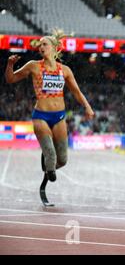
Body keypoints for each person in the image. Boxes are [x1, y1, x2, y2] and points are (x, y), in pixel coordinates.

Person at [4, 29, 95, 182]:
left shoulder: (64, 70)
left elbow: (77, 92)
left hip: (59, 117)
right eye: (40, 45)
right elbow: (10, 79)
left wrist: (88, 106)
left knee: (63, 160)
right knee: (51, 155)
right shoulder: (34, 66)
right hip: (41, 116)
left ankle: (48, 165)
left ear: (54, 47)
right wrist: (10, 64)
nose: (41, 47)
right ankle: (49, 164)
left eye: (45, 44)